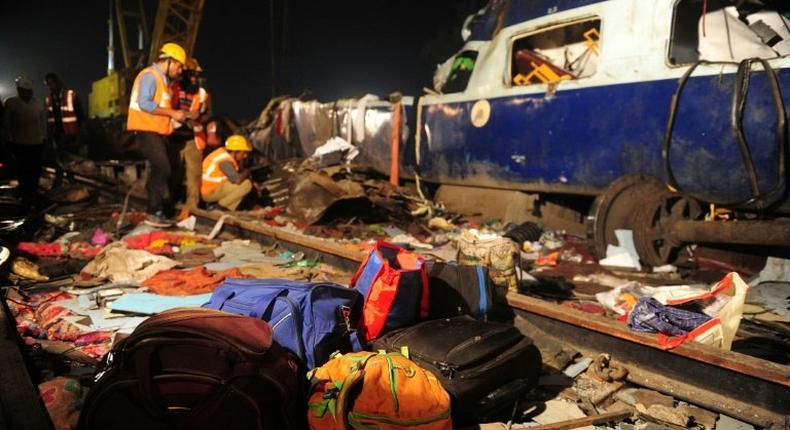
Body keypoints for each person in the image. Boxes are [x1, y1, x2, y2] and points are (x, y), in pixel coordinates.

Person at [127, 42, 190, 226]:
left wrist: (175, 121)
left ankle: (159, 208)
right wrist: (173, 113)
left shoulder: (162, 80)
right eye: (178, 65)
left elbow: (159, 110)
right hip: (147, 130)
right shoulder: (150, 76)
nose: (179, 70)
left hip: (156, 131)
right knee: (163, 167)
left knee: (165, 168)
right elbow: (145, 104)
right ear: (169, 61)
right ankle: (153, 211)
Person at [170, 57, 211, 220]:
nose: (194, 78)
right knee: (173, 172)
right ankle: (169, 203)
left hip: (193, 138)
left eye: (196, 75)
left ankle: (192, 207)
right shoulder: (172, 89)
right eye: (191, 75)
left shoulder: (201, 93)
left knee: (194, 173)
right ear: (183, 74)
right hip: (173, 137)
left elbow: (208, 114)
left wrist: (200, 116)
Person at [1, 76, 47, 207]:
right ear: (19, 90)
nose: (27, 93)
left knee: (36, 170)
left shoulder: (38, 103)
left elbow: (43, 122)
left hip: (37, 143)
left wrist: (44, 138)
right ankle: (25, 193)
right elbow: (6, 123)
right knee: (23, 170)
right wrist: (8, 140)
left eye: (29, 90)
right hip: (20, 143)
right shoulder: (11, 103)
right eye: (24, 90)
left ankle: (33, 191)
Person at [44, 72, 84, 186]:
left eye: (51, 83)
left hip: (70, 133)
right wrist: (50, 135)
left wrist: (78, 133)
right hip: (57, 134)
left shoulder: (70, 95)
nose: (50, 86)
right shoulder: (49, 99)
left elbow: (80, 115)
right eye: (48, 84)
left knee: (68, 160)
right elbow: (49, 119)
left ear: (56, 82)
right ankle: (62, 181)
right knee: (60, 159)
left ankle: (68, 181)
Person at [201, 134, 254, 211]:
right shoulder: (224, 161)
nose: (245, 156)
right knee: (246, 184)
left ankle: (223, 207)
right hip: (209, 192)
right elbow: (237, 180)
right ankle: (220, 207)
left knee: (245, 183)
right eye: (244, 153)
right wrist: (247, 172)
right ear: (236, 151)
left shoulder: (224, 154)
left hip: (211, 189)